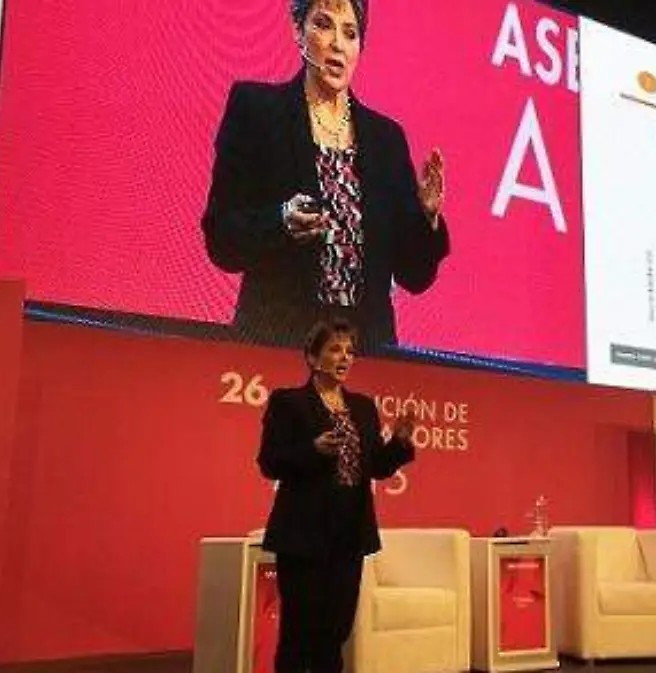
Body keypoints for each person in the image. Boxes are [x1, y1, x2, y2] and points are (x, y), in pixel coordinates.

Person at [202, 0, 449, 354]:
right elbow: (222, 239)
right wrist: (280, 221)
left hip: (366, 354)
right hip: (277, 345)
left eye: (350, 33)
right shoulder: (257, 111)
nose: (337, 44)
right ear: (298, 30)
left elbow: (415, 275)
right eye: (323, 24)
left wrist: (426, 217)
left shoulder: (386, 140)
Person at [257, 317, 417, 673]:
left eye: (350, 351)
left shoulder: (363, 407)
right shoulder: (288, 402)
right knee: (299, 632)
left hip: (350, 534)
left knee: (335, 631)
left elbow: (376, 466)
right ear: (313, 358)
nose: (345, 357)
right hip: (303, 534)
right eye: (334, 349)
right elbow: (269, 462)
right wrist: (312, 449)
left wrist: (399, 443)